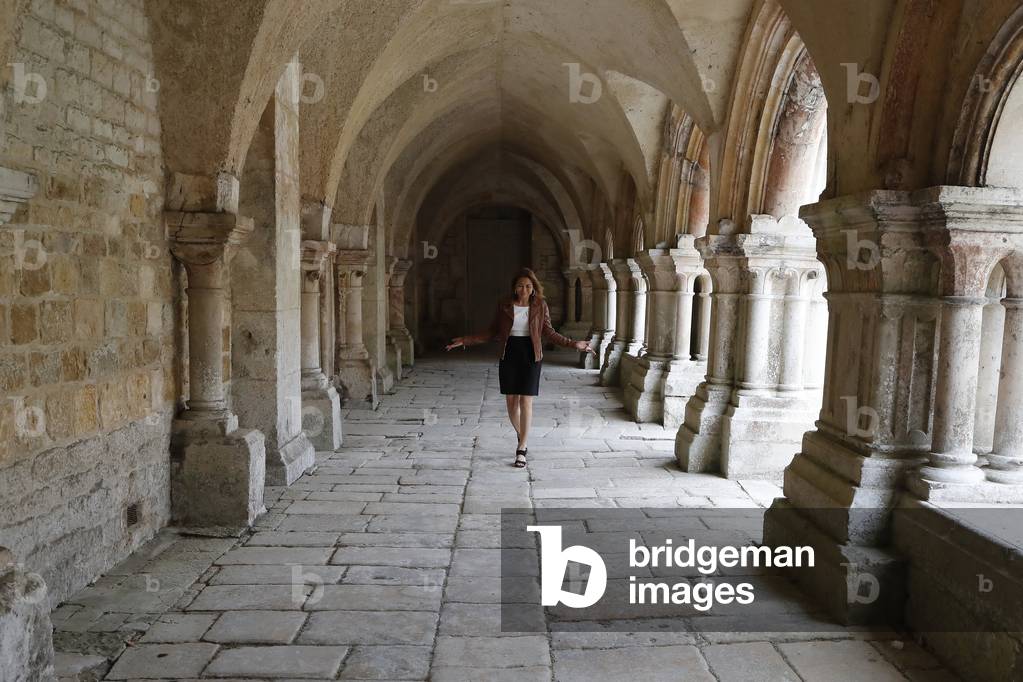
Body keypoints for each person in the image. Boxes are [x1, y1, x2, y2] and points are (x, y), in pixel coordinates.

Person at [446, 268, 596, 467]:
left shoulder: (540, 305)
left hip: (531, 354)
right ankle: (522, 435)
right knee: (511, 403)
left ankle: (521, 448)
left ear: (533, 288)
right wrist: (466, 340)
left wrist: (573, 344)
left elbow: (549, 332)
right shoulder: (505, 305)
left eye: (528, 286)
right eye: (520, 286)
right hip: (509, 353)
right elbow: (492, 332)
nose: (524, 289)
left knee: (526, 401)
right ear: (514, 288)